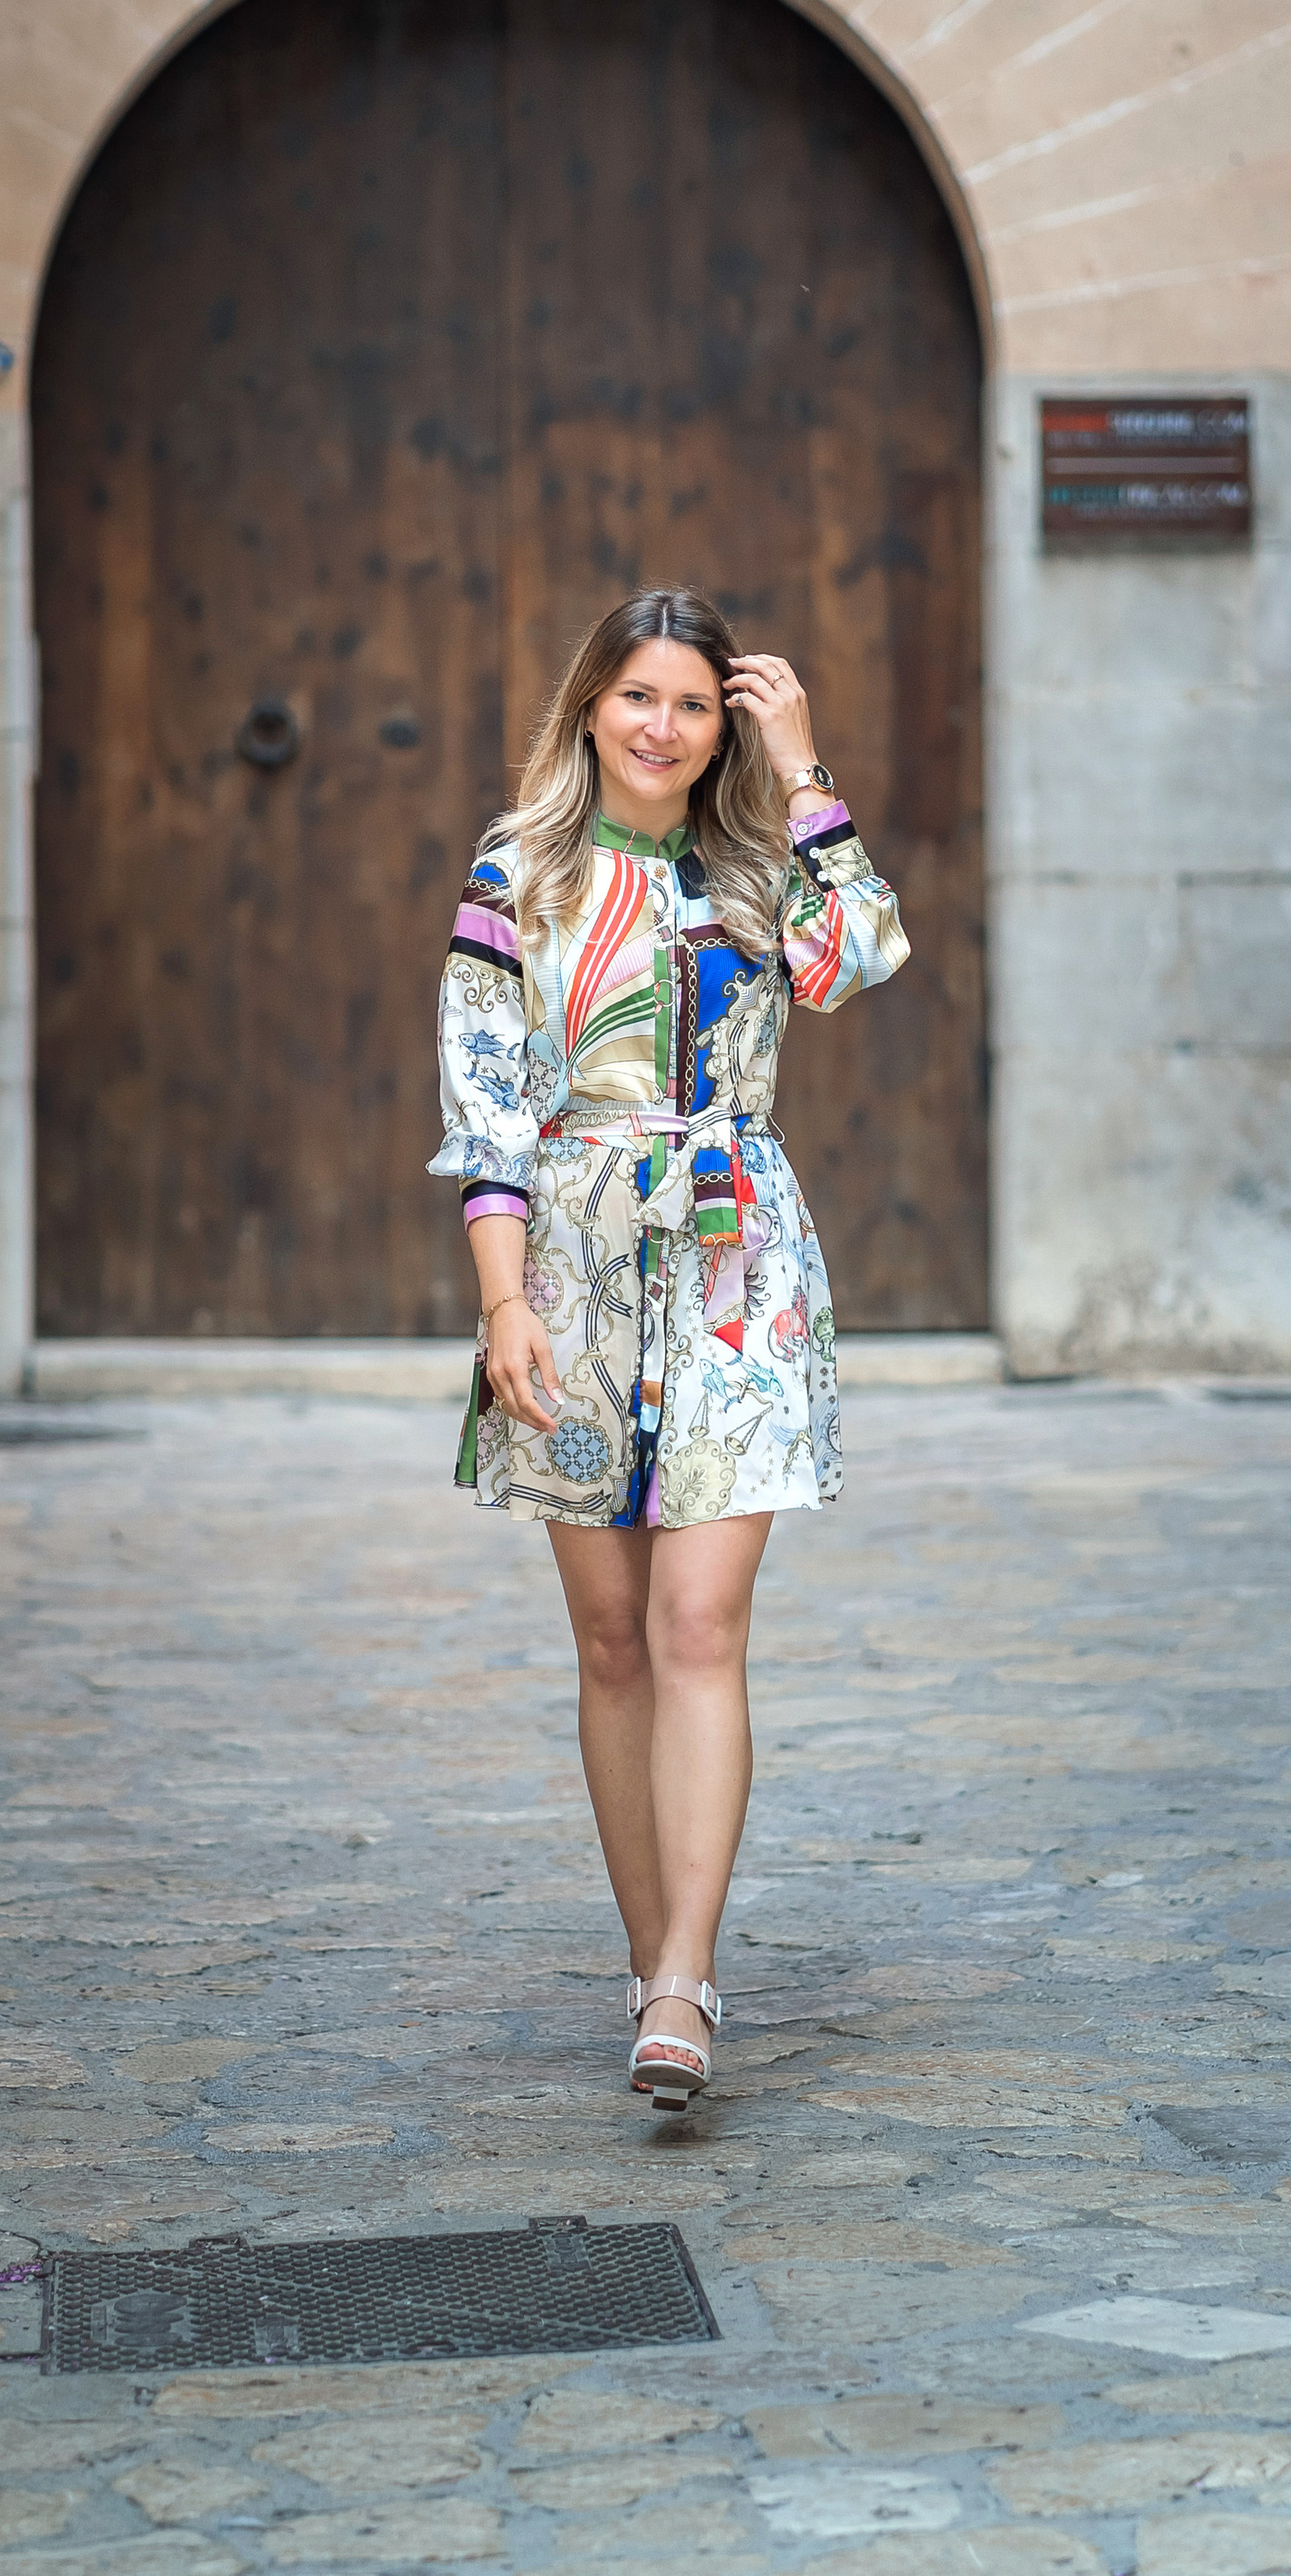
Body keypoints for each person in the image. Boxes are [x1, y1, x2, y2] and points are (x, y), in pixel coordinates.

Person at [431, 586, 908, 2110]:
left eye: (695, 704)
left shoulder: (760, 872)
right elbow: (487, 1109)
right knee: (612, 1637)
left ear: (724, 729)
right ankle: (655, 1968)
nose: (662, 725)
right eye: (638, 695)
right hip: (569, 1268)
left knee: (700, 1619)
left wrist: (808, 769)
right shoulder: (519, 874)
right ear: (591, 706)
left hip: (733, 1265)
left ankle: (686, 1980)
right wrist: (504, 1305)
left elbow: (858, 957)